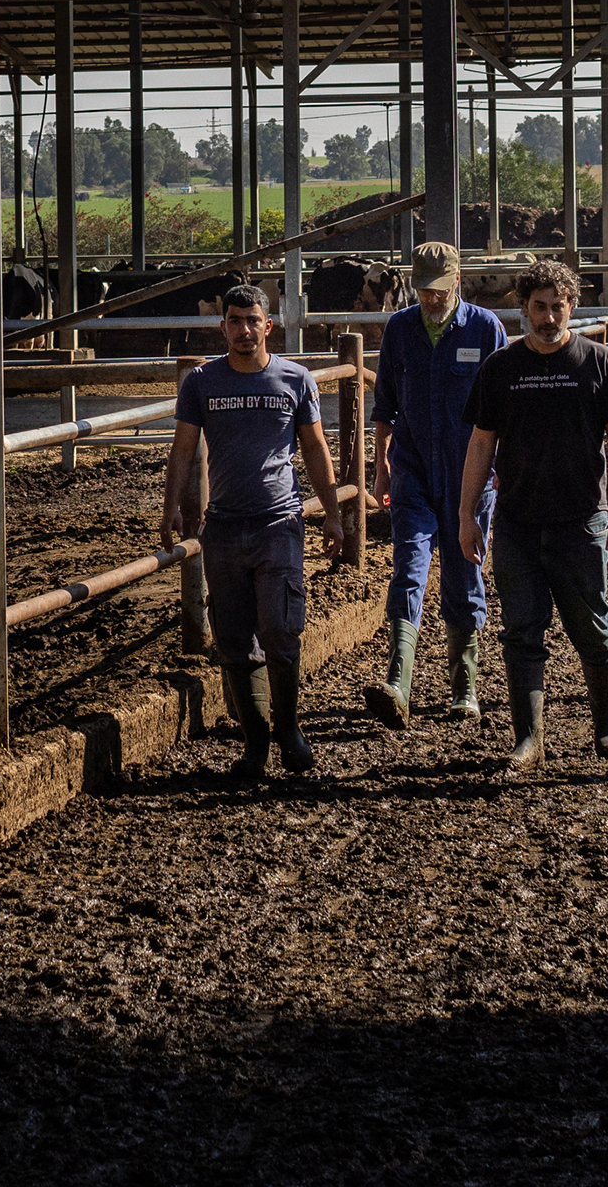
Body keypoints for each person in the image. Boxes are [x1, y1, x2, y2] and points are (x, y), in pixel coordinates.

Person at [455, 258, 608, 766]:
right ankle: (529, 737)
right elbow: (480, 444)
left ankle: (606, 722)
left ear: (572, 307)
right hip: (516, 523)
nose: (549, 317)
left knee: (593, 626)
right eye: (539, 307)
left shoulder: (599, 363)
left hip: (580, 520)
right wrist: (468, 513)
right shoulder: (501, 367)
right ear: (524, 308)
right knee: (521, 631)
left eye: (558, 307)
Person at [162, 282, 344, 786]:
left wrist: (331, 512)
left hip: (279, 523)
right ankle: (256, 742)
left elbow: (314, 448)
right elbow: (182, 451)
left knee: (282, 631)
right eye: (234, 321)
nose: (244, 331)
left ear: (269, 325)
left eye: (253, 321)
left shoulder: (295, 379)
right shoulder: (201, 383)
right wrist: (172, 508)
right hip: (222, 524)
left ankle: (288, 727)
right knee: (235, 640)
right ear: (223, 327)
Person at [364, 239, 510, 729]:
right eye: (424, 290)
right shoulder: (400, 329)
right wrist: (381, 465)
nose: (431, 299)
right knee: (410, 563)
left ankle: (463, 685)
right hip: (414, 467)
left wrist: (502, 471)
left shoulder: (486, 329)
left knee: (464, 571)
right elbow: (384, 403)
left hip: (470, 474)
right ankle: (397, 682)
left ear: (458, 282)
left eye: (440, 290)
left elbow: (503, 408)